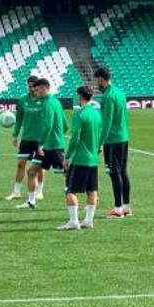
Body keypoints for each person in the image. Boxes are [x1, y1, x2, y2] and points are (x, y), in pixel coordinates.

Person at [16, 78, 65, 210]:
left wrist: (41, 143)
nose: (35, 92)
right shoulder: (56, 102)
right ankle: (31, 201)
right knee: (32, 171)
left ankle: (89, 193)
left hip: (52, 146)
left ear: (44, 89)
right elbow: (65, 124)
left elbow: (48, 125)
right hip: (49, 144)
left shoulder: (46, 104)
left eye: (37, 90)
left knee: (67, 173)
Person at [59, 86, 103, 230]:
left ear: (80, 96)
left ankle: (74, 221)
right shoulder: (97, 114)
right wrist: (99, 146)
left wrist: (67, 156)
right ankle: (88, 220)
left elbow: (75, 138)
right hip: (93, 159)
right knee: (91, 190)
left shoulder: (79, 114)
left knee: (70, 190)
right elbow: (101, 134)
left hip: (80, 159)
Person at [94, 67, 132, 218]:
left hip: (113, 139)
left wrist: (99, 143)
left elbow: (106, 123)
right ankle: (126, 207)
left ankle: (117, 209)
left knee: (114, 173)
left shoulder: (108, 97)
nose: (96, 83)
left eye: (97, 80)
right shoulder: (120, 93)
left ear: (102, 79)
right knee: (122, 171)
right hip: (123, 137)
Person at [6, 75, 42, 201]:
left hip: (40, 139)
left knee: (39, 166)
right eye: (29, 86)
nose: (31, 88)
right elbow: (19, 119)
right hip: (26, 138)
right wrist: (15, 135)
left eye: (33, 86)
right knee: (21, 164)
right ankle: (16, 191)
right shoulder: (22, 100)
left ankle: (39, 191)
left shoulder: (43, 100)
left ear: (38, 86)